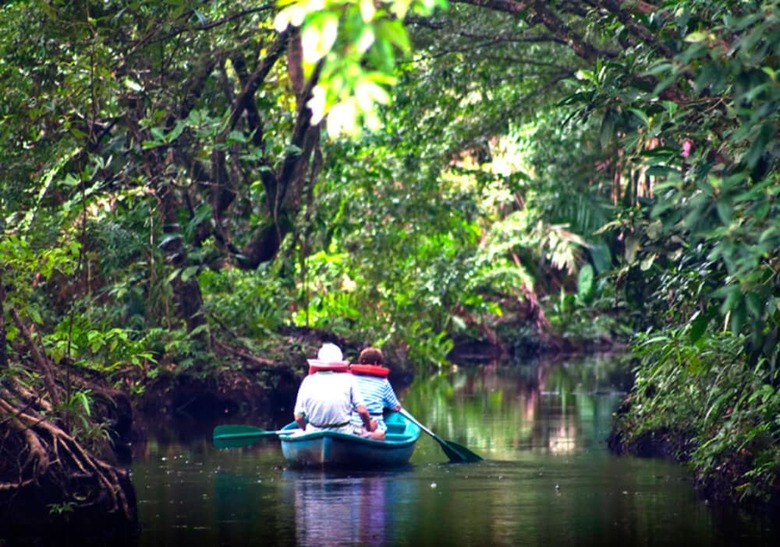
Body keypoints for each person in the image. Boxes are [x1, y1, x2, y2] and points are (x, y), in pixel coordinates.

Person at [293, 343, 375, 435]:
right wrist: (369, 427)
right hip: (344, 432)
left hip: (314, 432)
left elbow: (298, 417)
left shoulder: (308, 380)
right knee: (379, 435)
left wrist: (305, 430)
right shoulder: (349, 379)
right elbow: (362, 411)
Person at [349, 347, 402, 441]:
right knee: (380, 433)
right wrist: (395, 405)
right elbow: (395, 407)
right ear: (376, 363)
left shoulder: (351, 378)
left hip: (352, 425)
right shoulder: (383, 381)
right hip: (375, 427)